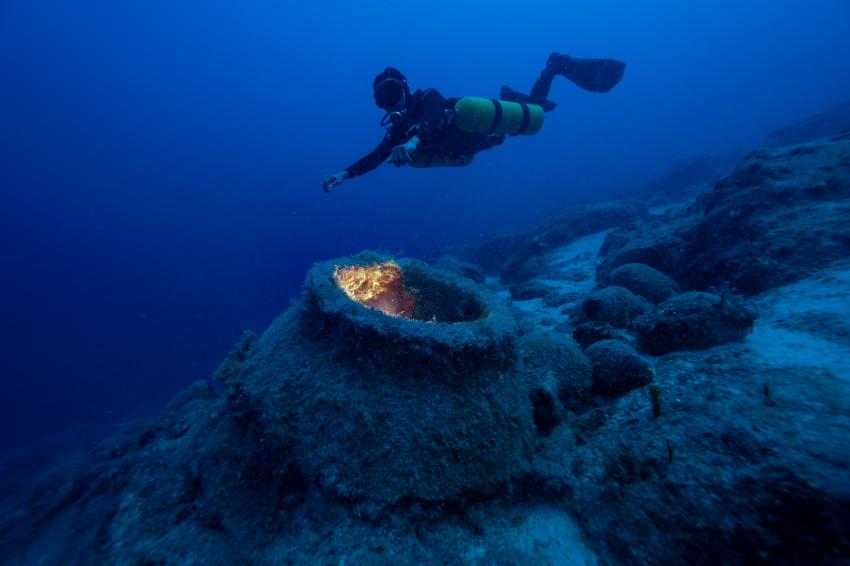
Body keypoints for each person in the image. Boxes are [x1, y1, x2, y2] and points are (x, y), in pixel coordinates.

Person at [323, 53, 625, 193]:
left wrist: (414, 140)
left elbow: (431, 114)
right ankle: (512, 95)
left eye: (393, 94)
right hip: (483, 142)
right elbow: (376, 156)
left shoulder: (429, 97)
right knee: (529, 113)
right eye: (383, 101)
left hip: (481, 128)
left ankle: (554, 67)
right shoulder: (397, 131)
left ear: (404, 88)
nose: (391, 104)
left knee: (535, 112)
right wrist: (345, 173)